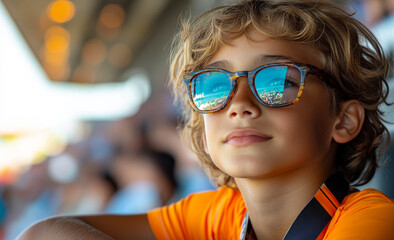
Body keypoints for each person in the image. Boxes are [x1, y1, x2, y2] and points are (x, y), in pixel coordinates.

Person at [18, 0, 394, 239]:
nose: (239, 103)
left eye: (277, 80)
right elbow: (43, 233)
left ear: (343, 121)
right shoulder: (221, 215)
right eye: (216, 86)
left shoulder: (375, 221)